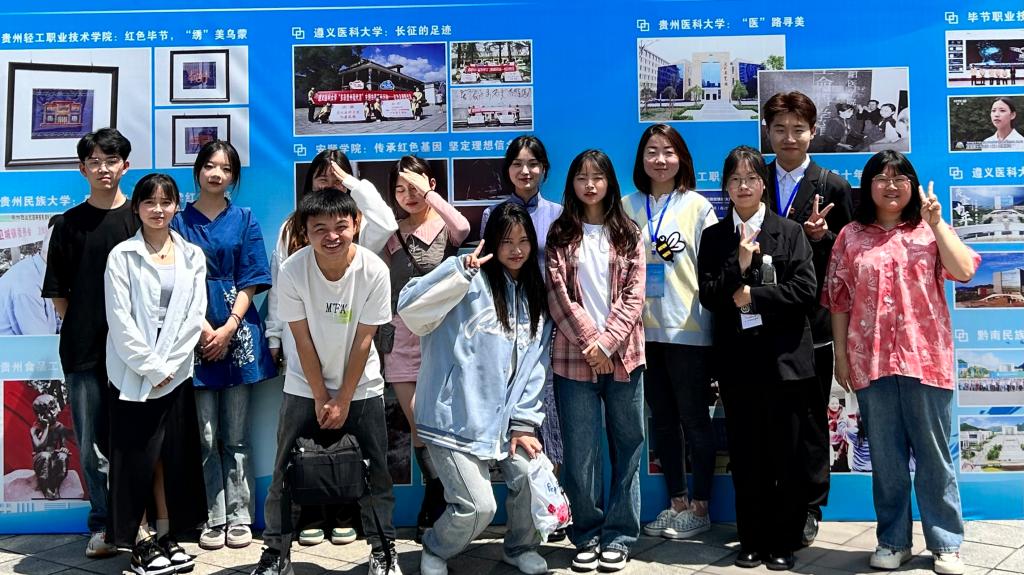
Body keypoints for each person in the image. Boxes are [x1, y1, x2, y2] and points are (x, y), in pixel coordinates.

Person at [823, 150, 979, 575]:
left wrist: (938, 223)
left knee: (934, 457)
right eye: (881, 177)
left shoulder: (929, 230)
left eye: (899, 178)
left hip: (925, 360)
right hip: (871, 362)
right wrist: (841, 356)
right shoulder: (850, 236)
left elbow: (965, 270)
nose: (890, 186)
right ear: (868, 185)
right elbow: (838, 299)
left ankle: (946, 544)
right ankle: (893, 541)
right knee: (887, 460)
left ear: (912, 185)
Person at [399, 202, 552, 575]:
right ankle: (435, 548)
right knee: (478, 506)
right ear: (492, 242)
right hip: (452, 420)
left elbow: (535, 366)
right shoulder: (467, 278)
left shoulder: (534, 294)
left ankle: (519, 547)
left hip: (505, 423)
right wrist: (456, 272)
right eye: (506, 241)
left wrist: (524, 423)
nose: (516, 250)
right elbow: (410, 309)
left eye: (523, 241)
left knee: (529, 477)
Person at [254, 188, 400, 575]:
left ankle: (383, 550)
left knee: (376, 471)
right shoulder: (293, 270)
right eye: (319, 228)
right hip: (304, 385)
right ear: (305, 231)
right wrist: (321, 396)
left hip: (361, 385)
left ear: (356, 224)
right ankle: (276, 552)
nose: (331, 236)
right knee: (284, 472)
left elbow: (365, 339)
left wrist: (343, 398)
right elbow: (300, 339)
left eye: (340, 226)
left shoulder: (374, 270)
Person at [697, 145, 817, 571]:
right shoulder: (715, 237)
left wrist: (755, 296)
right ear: (725, 187)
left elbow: (805, 291)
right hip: (738, 365)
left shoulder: (790, 232)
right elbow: (710, 296)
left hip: (785, 362)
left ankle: (783, 540)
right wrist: (739, 263)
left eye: (750, 178)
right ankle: (750, 539)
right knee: (746, 455)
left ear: (763, 185)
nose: (743, 186)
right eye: (735, 179)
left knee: (786, 455)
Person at [172, 140, 276, 551]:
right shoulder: (178, 222)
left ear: (234, 176)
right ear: (198, 170)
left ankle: (240, 516)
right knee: (205, 436)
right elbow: (175, 280)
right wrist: (202, 329)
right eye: (210, 166)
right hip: (192, 331)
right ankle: (212, 517)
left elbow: (252, 277)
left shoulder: (245, 218)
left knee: (236, 434)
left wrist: (229, 326)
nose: (217, 174)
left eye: (226, 168)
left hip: (238, 332)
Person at [546, 150, 646, 573]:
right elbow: (558, 295)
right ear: (571, 183)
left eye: (598, 176)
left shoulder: (627, 232)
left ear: (609, 183)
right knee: (581, 451)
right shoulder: (560, 234)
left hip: (624, 357)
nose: (590, 184)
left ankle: (620, 535)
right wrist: (593, 343)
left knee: (629, 445)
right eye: (582, 177)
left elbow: (635, 295)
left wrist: (607, 344)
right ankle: (586, 532)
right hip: (574, 359)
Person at [761, 91, 854, 545]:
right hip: (759, 321)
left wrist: (823, 236)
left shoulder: (832, 186)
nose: (789, 137)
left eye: (798, 129)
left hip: (811, 323)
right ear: (767, 132)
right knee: (767, 417)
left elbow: (852, 253)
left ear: (813, 132)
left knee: (812, 419)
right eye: (780, 128)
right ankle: (771, 501)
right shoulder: (754, 178)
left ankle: (810, 506)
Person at [104, 173, 208, 575]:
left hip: (175, 375)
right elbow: (120, 320)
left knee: (168, 458)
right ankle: (140, 540)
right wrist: (151, 366)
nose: (158, 209)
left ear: (177, 206)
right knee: (135, 459)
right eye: (150, 202)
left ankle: (165, 534)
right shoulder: (122, 256)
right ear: (137, 207)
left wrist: (169, 367)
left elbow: (194, 315)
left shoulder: (192, 255)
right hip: (132, 374)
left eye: (166, 202)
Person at [42, 127, 139, 558]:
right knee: (92, 442)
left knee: (135, 438)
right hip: (83, 351)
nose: (103, 168)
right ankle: (102, 524)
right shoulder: (67, 224)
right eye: (94, 162)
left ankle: (136, 522)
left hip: (137, 351)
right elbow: (59, 294)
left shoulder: (141, 217)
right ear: (82, 169)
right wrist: (85, 326)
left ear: (125, 166)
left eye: (111, 160)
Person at [621, 124, 717, 540]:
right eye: (652, 151)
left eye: (668, 151)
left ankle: (701, 507)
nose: (660, 159)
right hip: (641, 331)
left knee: (695, 420)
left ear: (682, 158)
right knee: (661, 420)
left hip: (688, 329)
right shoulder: (626, 206)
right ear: (641, 159)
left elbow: (710, 270)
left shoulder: (698, 207)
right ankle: (676, 502)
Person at [380, 156, 469, 541]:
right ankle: (439, 494)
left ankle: (441, 502)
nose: (408, 195)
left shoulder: (446, 228)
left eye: (415, 187)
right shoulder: (389, 233)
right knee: (419, 422)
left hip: (441, 337)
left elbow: (463, 228)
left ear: (431, 185)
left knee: (440, 422)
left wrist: (429, 195)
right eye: (401, 189)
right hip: (400, 339)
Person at [480, 136, 565, 538]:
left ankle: (551, 506)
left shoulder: (559, 214)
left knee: (549, 414)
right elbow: (488, 270)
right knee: (513, 414)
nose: (525, 171)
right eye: (517, 164)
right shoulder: (492, 214)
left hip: (550, 322)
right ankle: (523, 517)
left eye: (533, 164)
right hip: (508, 325)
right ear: (508, 169)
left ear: (544, 169)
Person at [0, 217, 59, 335]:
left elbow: (58, 323)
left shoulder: (41, 273)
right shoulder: (27, 288)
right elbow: (40, 341)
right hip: (17, 347)